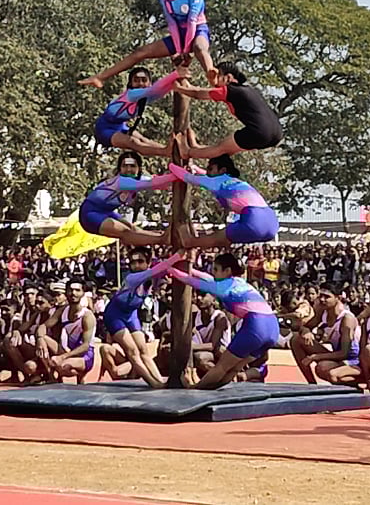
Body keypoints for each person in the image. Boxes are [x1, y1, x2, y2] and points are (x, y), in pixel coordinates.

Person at [80, 0, 216, 87]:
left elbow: (192, 22)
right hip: (179, 34)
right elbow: (172, 23)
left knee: (199, 48)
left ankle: (212, 75)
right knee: (140, 52)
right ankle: (100, 77)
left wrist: (186, 51)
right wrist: (179, 51)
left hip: (197, 30)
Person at [168, 252, 280, 389]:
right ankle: (211, 389)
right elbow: (208, 278)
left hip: (256, 325)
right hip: (273, 327)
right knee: (234, 368)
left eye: (216, 269)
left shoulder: (222, 287)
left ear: (227, 271)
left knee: (221, 366)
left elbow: (190, 281)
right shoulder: (238, 282)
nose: (213, 273)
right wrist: (191, 269)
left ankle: (194, 389)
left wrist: (168, 269)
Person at [99, 249, 182, 388]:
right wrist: (178, 255)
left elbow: (164, 268)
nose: (136, 265)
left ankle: (159, 380)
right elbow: (160, 267)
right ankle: (153, 383)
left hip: (131, 314)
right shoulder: (133, 278)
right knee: (133, 351)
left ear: (148, 262)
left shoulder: (151, 280)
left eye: (140, 261)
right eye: (132, 262)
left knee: (144, 350)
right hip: (115, 315)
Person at [172, 61, 284, 159]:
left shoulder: (230, 91)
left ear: (228, 77)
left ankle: (187, 152)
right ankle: (197, 149)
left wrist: (178, 89)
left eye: (218, 76)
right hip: (277, 134)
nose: (215, 81)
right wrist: (188, 87)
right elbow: (203, 90)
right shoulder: (247, 90)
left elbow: (198, 94)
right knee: (224, 151)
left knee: (220, 148)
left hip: (259, 132)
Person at [169, 156, 278, 248]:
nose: (207, 171)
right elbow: (209, 177)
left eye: (210, 168)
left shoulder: (216, 182)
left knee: (216, 238)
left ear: (222, 170)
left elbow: (188, 178)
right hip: (272, 222)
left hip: (254, 220)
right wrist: (196, 169)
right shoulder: (234, 180)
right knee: (224, 239)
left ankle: (190, 242)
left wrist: (171, 166)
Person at [79, 152, 175, 246]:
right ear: (120, 169)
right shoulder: (122, 182)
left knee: (133, 228)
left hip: (106, 211)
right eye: (125, 166)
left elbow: (159, 183)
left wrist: (179, 176)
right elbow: (152, 184)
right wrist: (175, 176)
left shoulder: (139, 179)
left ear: (139, 168)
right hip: (89, 214)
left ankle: (160, 235)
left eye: (132, 166)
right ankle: (161, 240)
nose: (128, 169)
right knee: (126, 233)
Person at [92, 67, 184, 156]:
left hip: (120, 126)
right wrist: (175, 74)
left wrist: (173, 84)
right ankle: (165, 151)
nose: (140, 83)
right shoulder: (132, 94)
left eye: (144, 80)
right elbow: (155, 89)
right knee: (133, 142)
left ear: (149, 83)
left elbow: (160, 91)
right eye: (136, 80)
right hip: (104, 129)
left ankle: (170, 152)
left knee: (144, 140)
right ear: (130, 84)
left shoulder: (146, 97)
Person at [291, 282, 362, 386]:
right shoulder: (323, 312)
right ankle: (312, 384)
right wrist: (306, 331)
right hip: (338, 355)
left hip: (353, 360)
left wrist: (316, 357)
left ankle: (353, 380)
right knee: (296, 340)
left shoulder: (347, 318)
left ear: (338, 298)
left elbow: (344, 353)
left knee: (322, 368)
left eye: (327, 297)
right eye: (321, 296)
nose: (322, 300)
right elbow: (305, 326)